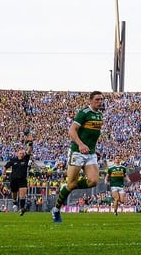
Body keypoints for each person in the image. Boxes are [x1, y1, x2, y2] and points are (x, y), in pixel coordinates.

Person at [52, 91, 105, 223]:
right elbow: (72, 130)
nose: (100, 102)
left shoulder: (99, 114)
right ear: (91, 101)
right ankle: (56, 209)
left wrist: (94, 149)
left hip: (90, 153)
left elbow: (91, 135)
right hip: (77, 152)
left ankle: (70, 186)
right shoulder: (84, 113)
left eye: (101, 99)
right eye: (97, 99)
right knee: (71, 184)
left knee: (93, 181)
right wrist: (81, 145)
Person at [5, 132, 34, 216]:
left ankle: (21, 209)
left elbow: (29, 150)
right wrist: (4, 173)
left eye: (22, 153)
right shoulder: (13, 160)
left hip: (22, 180)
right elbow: (6, 166)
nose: (21, 154)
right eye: (20, 153)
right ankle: (14, 202)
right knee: (14, 193)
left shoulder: (26, 159)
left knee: (22, 195)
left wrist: (30, 143)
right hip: (14, 179)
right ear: (17, 154)